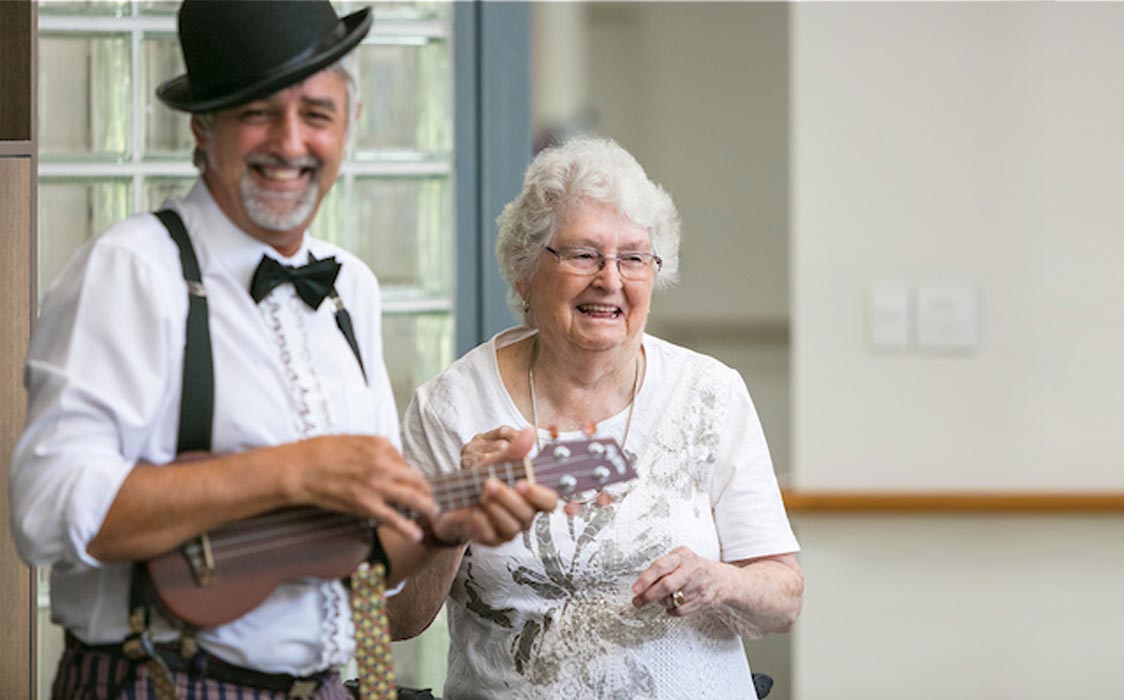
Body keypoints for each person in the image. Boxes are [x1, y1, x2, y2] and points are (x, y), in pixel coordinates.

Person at [8, 2, 555, 698]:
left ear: (348, 127)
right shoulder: (132, 270)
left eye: (317, 114)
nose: (290, 142)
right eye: (257, 113)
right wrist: (287, 472)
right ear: (204, 128)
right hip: (160, 682)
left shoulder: (350, 286)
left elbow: (358, 553)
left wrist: (449, 527)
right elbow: (45, 511)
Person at [390, 137, 804, 699]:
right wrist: (453, 518)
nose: (610, 279)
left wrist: (719, 581)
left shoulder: (710, 392)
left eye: (633, 257)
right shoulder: (453, 405)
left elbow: (783, 597)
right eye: (584, 254)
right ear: (524, 274)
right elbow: (398, 620)